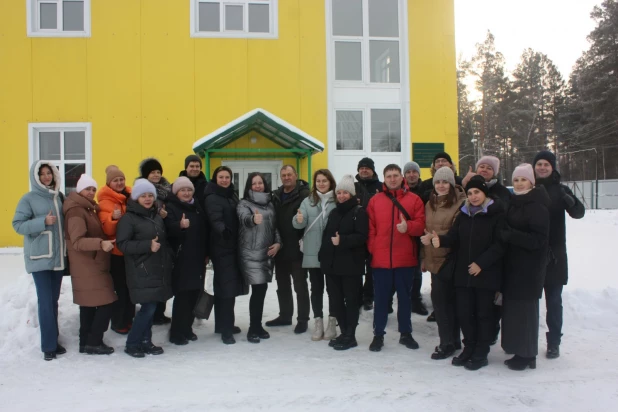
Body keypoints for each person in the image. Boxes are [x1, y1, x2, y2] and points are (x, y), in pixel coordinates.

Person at [431, 175, 506, 370]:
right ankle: (469, 347)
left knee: (483, 314)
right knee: (464, 314)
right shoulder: (464, 214)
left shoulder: (496, 213)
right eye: (470, 193)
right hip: (463, 275)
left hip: (485, 275)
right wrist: (441, 240)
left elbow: (500, 245)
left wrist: (481, 263)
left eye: (477, 192)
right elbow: (454, 237)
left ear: (484, 193)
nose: (473, 196)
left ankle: (481, 352)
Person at [366, 164, 425, 352]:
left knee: (405, 299)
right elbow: (370, 228)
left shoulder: (414, 200)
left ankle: (405, 333)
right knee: (381, 299)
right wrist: (374, 248)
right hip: (381, 260)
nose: (392, 179)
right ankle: (378, 334)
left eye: (395, 175)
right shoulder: (375, 201)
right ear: (384, 178)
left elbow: (421, 224)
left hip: (405, 259)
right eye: (389, 176)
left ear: (402, 177)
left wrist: (408, 227)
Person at [12, 161, 67, 361]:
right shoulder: (28, 199)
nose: (46, 177)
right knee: (45, 301)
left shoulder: (58, 197)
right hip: (39, 258)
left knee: (53, 301)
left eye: (49, 173)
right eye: (42, 174)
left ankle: (54, 340)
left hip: (58, 258)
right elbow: (17, 225)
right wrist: (43, 221)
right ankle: (48, 346)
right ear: (35, 177)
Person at [533, 150, 585, 359]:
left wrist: (570, 200)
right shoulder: (529, 187)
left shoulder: (561, 189)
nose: (543, 167)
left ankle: (554, 342)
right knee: (528, 301)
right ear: (534, 167)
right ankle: (525, 340)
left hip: (555, 254)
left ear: (552, 167)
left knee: (553, 300)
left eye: (546, 164)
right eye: (539, 164)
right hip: (531, 253)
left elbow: (579, 213)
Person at [500, 164, 550, 370]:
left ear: (532, 182)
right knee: (512, 311)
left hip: (529, 267)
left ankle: (528, 354)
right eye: (516, 180)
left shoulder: (537, 205)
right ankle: (516, 348)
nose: (519, 183)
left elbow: (539, 240)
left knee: (526, 312)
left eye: (523, 179)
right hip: (512, 265)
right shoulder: (513, 202)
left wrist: (511, 235)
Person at [117, 179, 173, 358]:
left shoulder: (155, 216)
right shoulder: (129, 218)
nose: (148, 199)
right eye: (143, 195)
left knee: (151, 306)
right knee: (148, 308)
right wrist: (147, 245)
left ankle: (146, 341)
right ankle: (132, 343)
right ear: (136, 197)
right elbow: (123, 244)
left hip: (157, 267)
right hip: (141, 269)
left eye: (150, 195)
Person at [63, 174, 117, 355]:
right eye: (88, 189)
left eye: (94, 189)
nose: (91, 192)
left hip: (90, 264)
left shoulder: (87, 209)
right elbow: (77, 241)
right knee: (107, 302)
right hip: (87, 264)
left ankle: (85, 341)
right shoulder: (76, 211)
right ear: (79, 190)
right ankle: (94, 341)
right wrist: (100, 244)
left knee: (87, 305)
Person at [419, 166, 466, 360]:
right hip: (433, 261)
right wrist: (423, 256)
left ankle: (447, 343)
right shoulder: (429, 204)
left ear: (452, 183)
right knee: (441, 305)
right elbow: (425, 232)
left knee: (447, 305)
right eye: (438, 181)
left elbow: (458, 233)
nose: (441, 185)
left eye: (445, 182)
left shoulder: (460, 203)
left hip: (450, 261)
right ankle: (451, 341)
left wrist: (433, 238)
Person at [319, 175, 368, 350]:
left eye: (345, 193)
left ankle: (350, 335)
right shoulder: (334, 212)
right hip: (332, 266)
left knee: (351, 301)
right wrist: (322, 257)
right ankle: (343, 333)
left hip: (351, 267)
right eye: (338, 193)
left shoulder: (359, 212)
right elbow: (327, 237)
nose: (341, 196)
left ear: (351, 194)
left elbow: (362, 237)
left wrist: (344, 240)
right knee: (336, 301)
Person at [292, 169, 337, 341]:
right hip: (313, 253)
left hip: (332, 253)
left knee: (333, 290)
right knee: (316, 289)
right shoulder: (308, 201)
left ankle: (332, 323)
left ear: (330, 182)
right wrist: (299, 220)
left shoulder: (337, 200)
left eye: (324, 180)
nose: (321, 183)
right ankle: (318, 322)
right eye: (318, 181)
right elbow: (296, 224)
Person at [237, 172, 281, 343]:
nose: (257, 186)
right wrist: (253, 220)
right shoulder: (244, 204)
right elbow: (243, 219)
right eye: (254, 183)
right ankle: (253, 328)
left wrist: (278, 243)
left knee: (261, 291)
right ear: (249, 186)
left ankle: (257, 326)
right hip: (250, 254)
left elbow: (274, 227)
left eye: (260, 183)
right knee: (257, 290)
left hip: (267, 254)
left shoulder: (270, 204)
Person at [165, 177, 209, 345]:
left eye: (189, 190)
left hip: (198, 257)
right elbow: (167, 231)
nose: (186, 193)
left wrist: (206, 252)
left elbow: (204, 231)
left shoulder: (197, 206)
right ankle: (176, 333)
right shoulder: (171, 208)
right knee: (183, 296)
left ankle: (187, 328)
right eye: (182, 190)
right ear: (176, 192)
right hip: (182, 258)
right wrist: (179, 226)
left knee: (194, 294)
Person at [267, 165, 311, 334]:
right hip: (280, 248)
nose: (286, 177)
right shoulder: (276, 195)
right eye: (283, 175)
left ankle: (302, 319)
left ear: (296, 175)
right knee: (282, 285)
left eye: (289, 174)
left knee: (300, 286)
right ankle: (285, 315)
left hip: (297, 249)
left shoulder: (304, 195)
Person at [204, 166, 245, 344]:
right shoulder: (212, 197)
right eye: (221, 177)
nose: (224, 180)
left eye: (227, 177)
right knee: (227, 289)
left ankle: (223, 324)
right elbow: (215, 219)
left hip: (232, 247)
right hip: (222, 247)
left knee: (226, 288)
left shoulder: (231, 194)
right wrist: (224, 232)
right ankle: (226, 330)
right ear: (215, 179)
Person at [97, 165, 135, 335]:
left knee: (131, 287)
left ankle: (129, 319)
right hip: (117, 252)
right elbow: (107, 228)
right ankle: (119, 322)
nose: (119, 183)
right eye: (116, 180)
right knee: (120, 289)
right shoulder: (106, 200)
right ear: (109, 183)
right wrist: (113, 218)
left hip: (130, 250)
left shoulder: (130, 196)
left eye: (121, 179)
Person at [139, 157, 172, 325]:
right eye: (152, 172)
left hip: (165, 239)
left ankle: (160, 312)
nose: (156, 175)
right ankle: (149, 313)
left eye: (158, 172)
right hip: (148, 239)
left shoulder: (167, 190)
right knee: (151, 278)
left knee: (163, 277)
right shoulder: (141, 191)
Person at [354, 157, 382, 311]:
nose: (364, 170)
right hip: (357, 233)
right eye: (361, 168)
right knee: (356, 267)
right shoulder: (353, 186)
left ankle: (368, 296)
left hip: (375, 234)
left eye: (367, 168)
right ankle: (357, 295)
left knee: (372, 267)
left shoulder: (381, 186)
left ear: (372, 170)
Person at [403, 161, 429, 316]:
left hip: (420, 235)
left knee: (417, 270)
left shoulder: (425, 190)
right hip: (403, 234)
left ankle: (415, 299)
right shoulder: (400, 190)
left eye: (414, 172)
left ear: (419, 174)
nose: (411, 174)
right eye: (408, 172)